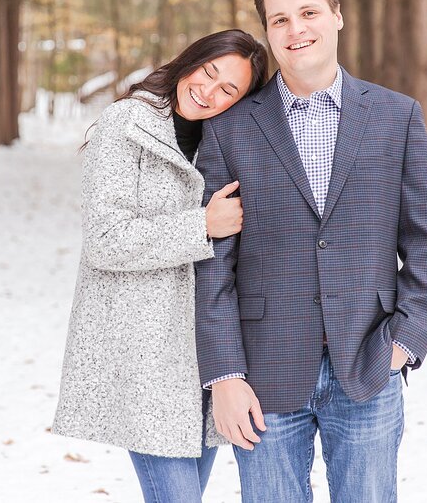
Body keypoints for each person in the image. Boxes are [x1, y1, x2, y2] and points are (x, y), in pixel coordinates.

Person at [195, 0, 427, 502]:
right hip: (262, 373)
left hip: (368, 363)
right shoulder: (229, 128)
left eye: (308, 12)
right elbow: (213, 266)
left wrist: (406, 341)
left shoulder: (395, 116)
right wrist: (225, 375)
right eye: (279, 19)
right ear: (268, 31)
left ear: (337, 16)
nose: (295, 29)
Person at [52, 29, 268, 503]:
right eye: (208, 73)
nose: (209, 91)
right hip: (145, 355)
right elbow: (104, 240)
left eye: (228, 89)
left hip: (205, 353)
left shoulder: (226, 139)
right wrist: (202, 225)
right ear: (191, 60)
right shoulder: (127, 124)